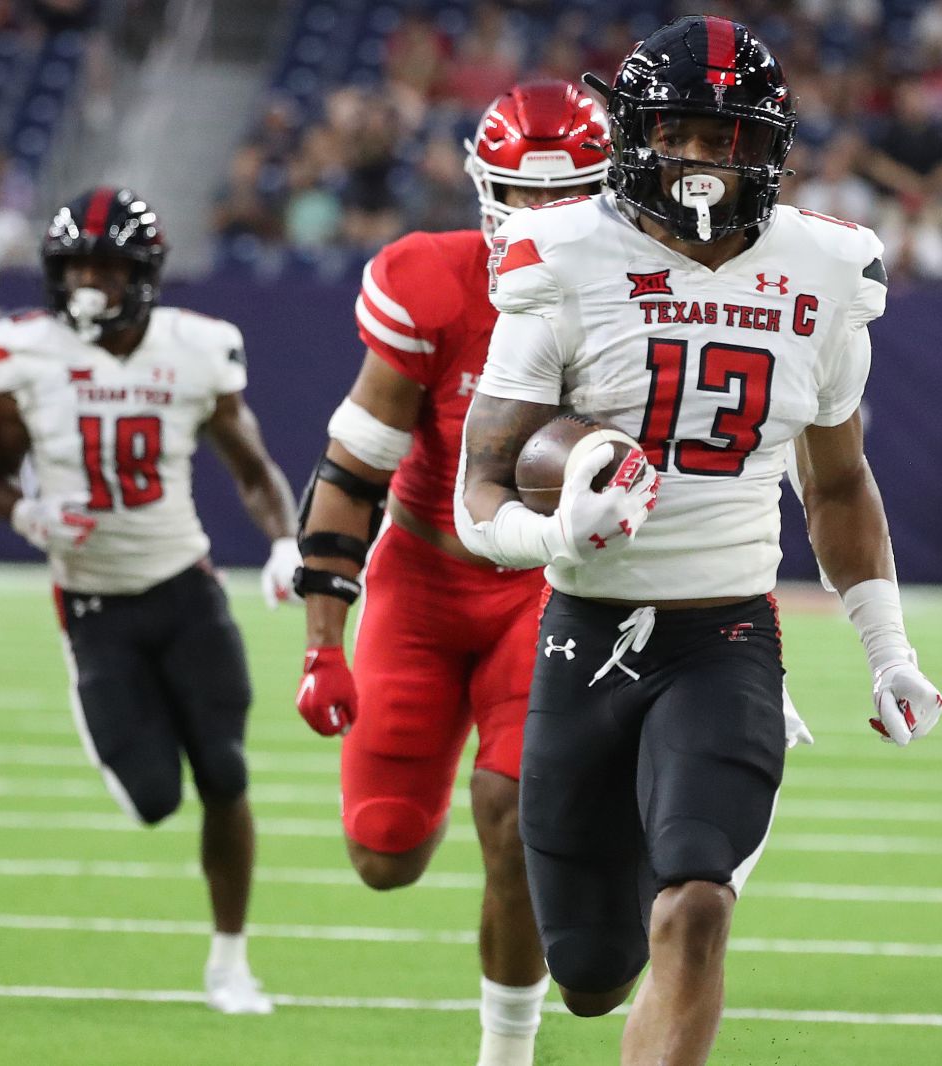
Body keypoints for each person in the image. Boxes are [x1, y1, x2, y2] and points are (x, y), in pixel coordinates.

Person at [455, 18, 942, 1066]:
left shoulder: (820, 268)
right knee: (586, 971)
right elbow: (479, 488)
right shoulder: (563, 255)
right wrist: (557, 523)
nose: (702, 165)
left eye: (729, 140)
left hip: (724, 636)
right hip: (582, 632)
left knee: (694, 906)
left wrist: (886, 646)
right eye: (680, 133)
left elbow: (838, 480)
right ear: (633, 134)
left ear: (767, 148)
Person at [294, 80, 608, 1066]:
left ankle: (504, 1051)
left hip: (548, 587)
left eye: (568, 196)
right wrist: (320, 644)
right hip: (424, 579)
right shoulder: (431, 282)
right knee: (383, 851)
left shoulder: (646, 297)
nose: (542, 218)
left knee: (506, 813)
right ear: (484, 191)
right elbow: (351, 469)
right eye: (520, 194)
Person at [0, 187, 301, 1014]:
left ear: (145, 273)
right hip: (94, 608)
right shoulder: (21, 352)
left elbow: (253, 466)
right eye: (78, 264)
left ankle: (231, 962)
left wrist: (283, 543)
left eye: (109, 265)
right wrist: (26, 511)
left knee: (226, 773)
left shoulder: (197, 348)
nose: (91, 280)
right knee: (156, 799)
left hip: (185, 586)